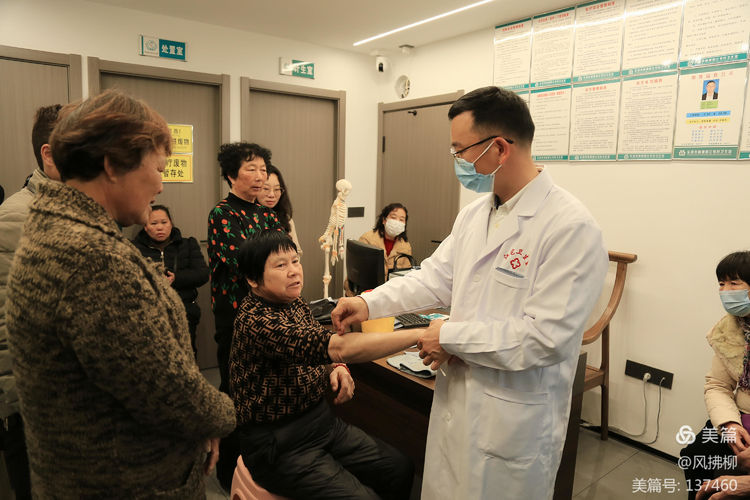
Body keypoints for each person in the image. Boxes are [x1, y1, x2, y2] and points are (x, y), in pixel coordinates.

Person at [332, 86, 608, 499]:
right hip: (458, 403)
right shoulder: (475, 214)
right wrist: (368, 302)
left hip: (513, 423)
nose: (457, 161)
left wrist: (447, 336)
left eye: (460, 150)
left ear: (499, 148)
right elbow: (433, 278)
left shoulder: (570, 228)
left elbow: (545, 338)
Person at [5, 90, 235, 498]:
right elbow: (166, 391)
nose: (161, 185)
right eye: (158, 169)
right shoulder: (91, 258)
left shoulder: (54, 227)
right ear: (112, 164)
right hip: (125, 481)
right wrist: (222, 415)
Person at [231, 230, 415, 499]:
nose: (294, 271)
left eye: (295, 261)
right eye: (280, 265)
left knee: (398, 468)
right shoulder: (256, 321)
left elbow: (315, 344)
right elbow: (336, 347)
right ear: (253, 279)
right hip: (278, 444)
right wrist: (420, 336)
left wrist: (337, 367)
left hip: (321, 423)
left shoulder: (293, 302)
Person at [208, 141, 282, 489]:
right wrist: (273, 264)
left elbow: (282, 256)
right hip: (235, 316)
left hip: (267, 314)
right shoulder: (222, 214)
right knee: (234, 391)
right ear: (230, 175)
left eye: (263, 169)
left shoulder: (268, 215)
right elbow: (242, 261)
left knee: (263, 389)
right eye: (251, 169)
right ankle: (227, 471)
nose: (260, 176)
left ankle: (258, 466)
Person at [0, 103, 62, 500]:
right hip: (37, 407)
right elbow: (8, 329)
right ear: (50, 155)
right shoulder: (17, 218)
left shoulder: (77, 209)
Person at [681, 251, 750, 499]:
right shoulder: (728, 330)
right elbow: (718, 385)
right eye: (721, 283)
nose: (725, 291)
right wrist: (729, 424)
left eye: (734, 283)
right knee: (694, 457)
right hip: (741, 419)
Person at [133, 204, 209, 357]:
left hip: (185, 310)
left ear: (171, 223)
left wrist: (176, 278)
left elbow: (202, 274)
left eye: (164, 222)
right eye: (154, 223)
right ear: (145, 227)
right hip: (150, 313)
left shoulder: (188, 244)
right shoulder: (134, 248)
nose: (159, 227)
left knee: (186, 353)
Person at [258, 163, 302, 254]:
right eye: (266, 188)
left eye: (277, 189)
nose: (271, 195)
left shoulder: (286, 219)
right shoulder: (248, 217)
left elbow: (297, 252)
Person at [359, 203, 413, 276]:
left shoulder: (405, 246)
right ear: (384, 220)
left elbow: (406, 273)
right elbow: (358, 270)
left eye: (401, 219)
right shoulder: (367, 239)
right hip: (369, 282)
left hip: (393, 283)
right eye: (393, 217)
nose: (397, 222)